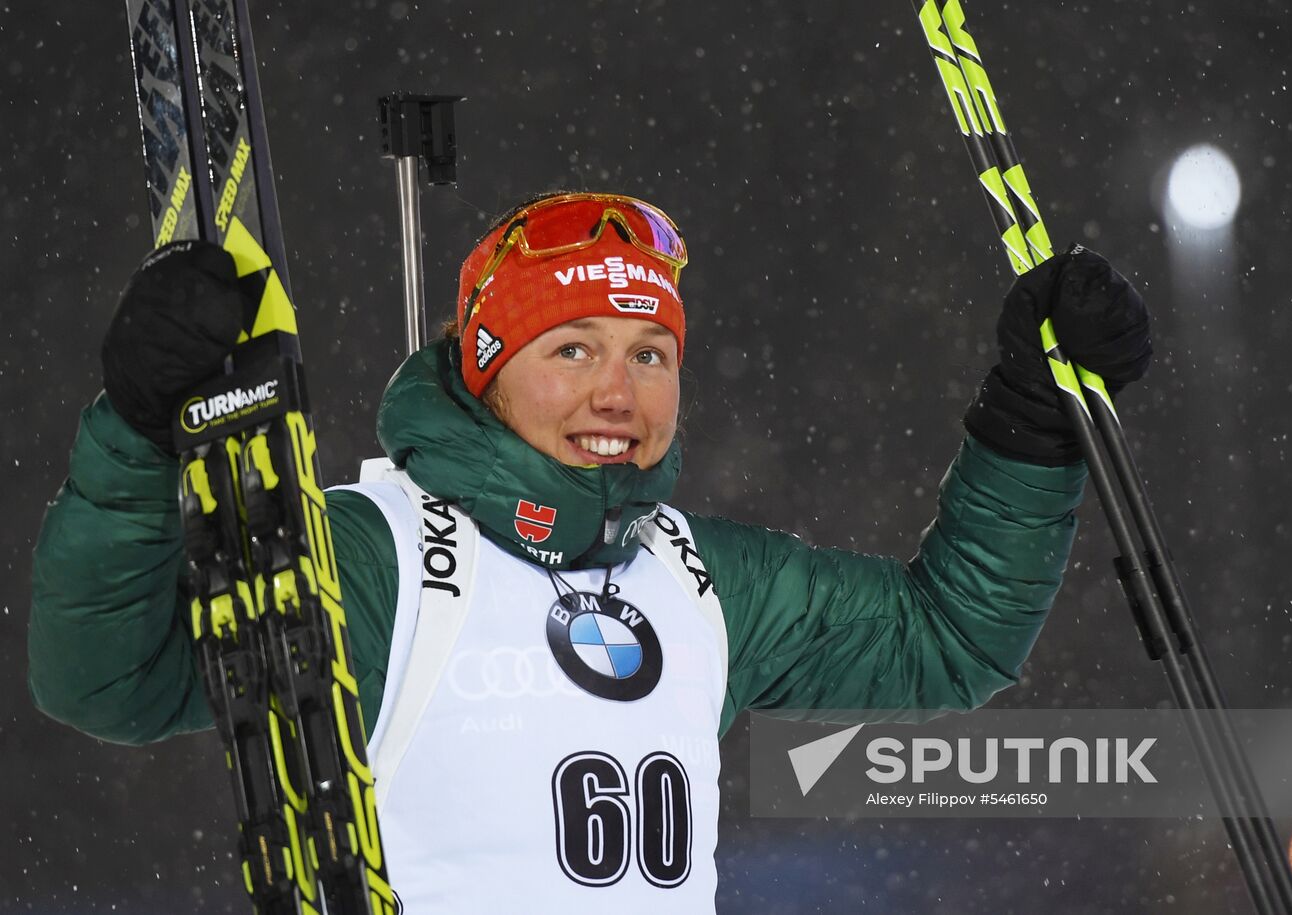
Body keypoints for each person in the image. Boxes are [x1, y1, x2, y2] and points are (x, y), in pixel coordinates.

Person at [29, 192, 1151, 912]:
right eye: (570, 348)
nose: (617, 393)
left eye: (650, 353)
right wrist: (137, 429)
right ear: (483, 365)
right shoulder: (377, 554)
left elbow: (948, 641)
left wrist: (1027, 423)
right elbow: (110, 682)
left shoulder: (697, 579)